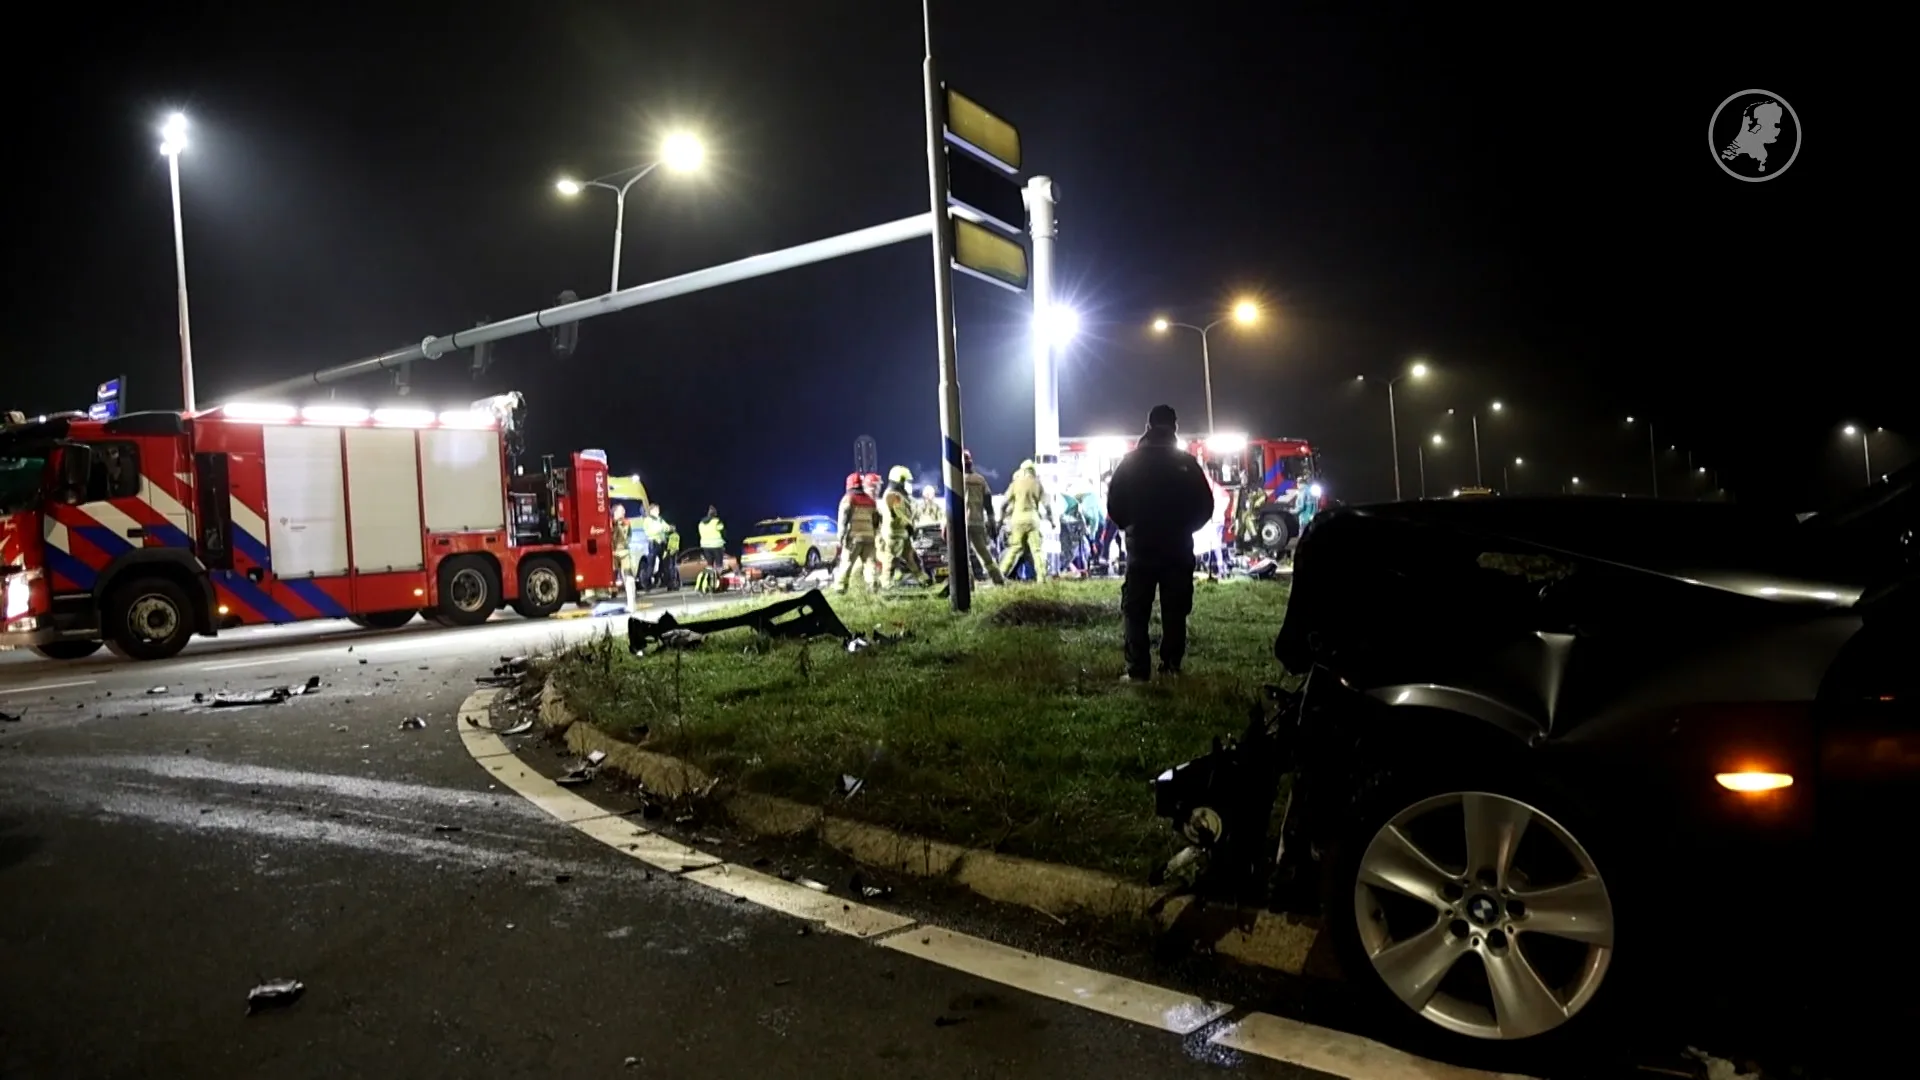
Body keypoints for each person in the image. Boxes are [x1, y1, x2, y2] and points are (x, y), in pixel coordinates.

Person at [1106, 404, 1215, 682]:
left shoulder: (1130, 463)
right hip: (1178, 548)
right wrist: (1185, 528)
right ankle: (1171, 666)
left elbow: (1114, 504)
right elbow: (1206, 505)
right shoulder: (1187, 464)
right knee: (1175, 610)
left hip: (1141, 548)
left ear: (1148, 425)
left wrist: (1131, 527)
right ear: (1174, 427)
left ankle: (1138, 670)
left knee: (1136, 610)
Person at [997, 459, 1050, 582]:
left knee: (1015, 548)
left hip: (1017, 520)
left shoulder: (1015, 483)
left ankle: (1000, 575)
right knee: (1036, 550)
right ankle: (1042, 578)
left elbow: (1004, 503)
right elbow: (1047, 504)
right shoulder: (1037, 483)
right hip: (1032, 520)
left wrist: (1001, 519)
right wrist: (1052, 520)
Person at [959, 449, 1004, 585]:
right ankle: (998, 580)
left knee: (962, 556)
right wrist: (992, 522)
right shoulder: (980, 480)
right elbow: (988, 503)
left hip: (961, 524)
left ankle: (968, 584)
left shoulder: (956, 480)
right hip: (977, 522)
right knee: (984, 553)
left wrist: (945, 524)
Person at [879, 465, 928, 586]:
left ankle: (923, 580)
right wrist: (909, 526)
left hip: (902, 534)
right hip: (895, 535)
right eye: (906, 482)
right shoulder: (893, 496)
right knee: (891, 560)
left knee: (912, 558)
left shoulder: (898, 496)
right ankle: (886, 585)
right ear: (899, 481)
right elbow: (897, 515)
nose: (909, 484)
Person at [832, 471, 881, 593]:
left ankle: (840, 588)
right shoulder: (871, 501)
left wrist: (841, 538)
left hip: (854, 538)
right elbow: (876, 521)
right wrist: (874, 534)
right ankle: (872, 587)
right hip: (869, 538)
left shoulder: (848, 499)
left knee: (846, 563)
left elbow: (843, 520)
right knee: (870, 564)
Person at [611, 503, 637, 609]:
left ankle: (631, 604)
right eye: (622, 510)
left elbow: (629, 535)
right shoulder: (609, 522)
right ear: (615, 512)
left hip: (624, 552)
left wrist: (626, 544)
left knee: (629, 577)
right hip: (612, 553)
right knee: (610, 577)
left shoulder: (627, 523)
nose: (624, 512)